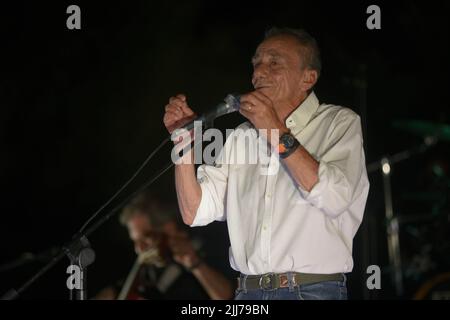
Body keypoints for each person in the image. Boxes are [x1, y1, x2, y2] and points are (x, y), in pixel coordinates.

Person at [163, 27, 370, 300]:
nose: (258, 72)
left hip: (311, 291)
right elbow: (194, 211)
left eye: (274, 63)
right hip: (247, 293)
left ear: (308, 78)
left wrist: (273, 128)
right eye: (256, 63)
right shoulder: (241, 137)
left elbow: (335, 196)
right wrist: (184, 143)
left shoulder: (338, 123)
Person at [93, 192, 234, 300]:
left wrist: (195, 263)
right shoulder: (151, 267)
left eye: (146, 237)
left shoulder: (209, 243)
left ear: (169, 228)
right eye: (135, 241)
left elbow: (228, 297)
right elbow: (119, 290)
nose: (139, 249)